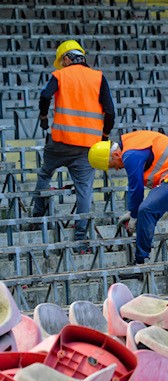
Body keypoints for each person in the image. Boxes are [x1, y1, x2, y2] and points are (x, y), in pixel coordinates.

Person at [88, 130, 168, 284]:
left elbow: (136, 188)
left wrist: (135, 215)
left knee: (146, 210)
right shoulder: (133, 144)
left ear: (115, 155)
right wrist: (133, 212)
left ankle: (141, 263)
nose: (115, 169)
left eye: (112, 165)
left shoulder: (130, 154)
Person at [33, 40, 115, 252]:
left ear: (67, 59)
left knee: (44, 174)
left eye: (62, 61)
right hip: (88, 147)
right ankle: (80, 237)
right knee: (84, 191)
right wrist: (104, 137)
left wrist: (43, 117)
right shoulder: (98, 77)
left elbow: (44, 95)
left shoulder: (60, 76)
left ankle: (36, 216)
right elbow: (111, 112)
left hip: (59, 142)